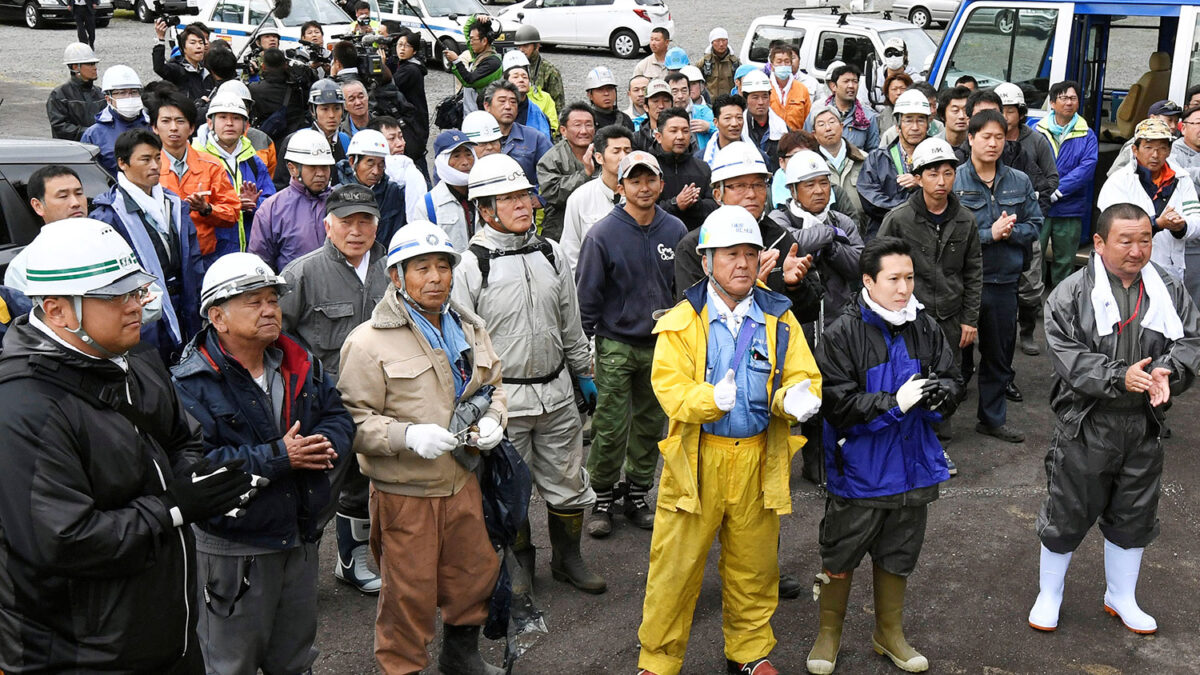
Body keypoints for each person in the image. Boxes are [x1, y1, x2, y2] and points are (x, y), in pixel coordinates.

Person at [0, 218, 253, 673]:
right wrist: (174, 507)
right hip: (81, 654)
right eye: (117, 296)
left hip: (165, 632)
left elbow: (183, 436)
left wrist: (195, 481)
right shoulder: (22, 406)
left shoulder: (132, 359)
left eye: (137, 290)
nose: (137, 305)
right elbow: (63, 541)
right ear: (58, 310)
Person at [636, 205, 822, 675]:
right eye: (729, 254)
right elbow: (670, 388)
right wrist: (706, 398)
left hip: (760, 458)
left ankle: (749, 653)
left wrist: (794, 399)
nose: (741, 263)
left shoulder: (780, 318)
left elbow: (802, 375)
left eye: (749, 253)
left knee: (754, 568)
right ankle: (657, 662)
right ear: (706, 262)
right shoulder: (682, 321)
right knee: (673, 571)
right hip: (697, 462)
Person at [171, 251, 353, 673]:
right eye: (254, 302)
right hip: (235, 551)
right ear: (217, 317)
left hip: (299, 537)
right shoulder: (189, 383)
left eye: (273, 299)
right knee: (230, 663)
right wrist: (280, 457)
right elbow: (196, 468)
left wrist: (323, 444)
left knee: (294, 659)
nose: (270, 309)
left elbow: (337, 415)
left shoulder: (298, 360)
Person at [338, 222, 507, 674]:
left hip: (462, 480)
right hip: (405, 493)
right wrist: (406, 436)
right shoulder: (367, 342)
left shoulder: (468, 327)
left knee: (473, 576)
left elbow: (493, 386)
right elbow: (350, 422)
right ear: (396, 276)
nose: (435, 277)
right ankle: (403, 669)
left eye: (442, 266)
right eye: (421, 268)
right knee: (407, 595)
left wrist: (494, 420)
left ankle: (461, 657)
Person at [1027, 202, 1200, 637]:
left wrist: (1168, 372)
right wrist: (1120, 376)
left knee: (1135, 512)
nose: (1138, 251)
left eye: (1145, 240)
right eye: (1125, 241)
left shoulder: (1167, 287)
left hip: (1144, 423)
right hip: (1087, 422)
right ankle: (1050, 593)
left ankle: (1121, 596)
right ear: (1099, 243)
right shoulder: (1068, 293)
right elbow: (1070, 359)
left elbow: (1191, 339)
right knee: (1067, 510)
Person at [807, 236, 960, 675]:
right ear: (868, 281)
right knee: (840, 553)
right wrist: (895, 402)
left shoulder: (925, 325)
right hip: (860, 472)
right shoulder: (841, 333)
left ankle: (888, 633)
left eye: (909, 278)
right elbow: (836, 405)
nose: (903, 288)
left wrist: (940, 396)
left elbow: (952, 378)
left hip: (913, 470)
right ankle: (828, 634)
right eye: (893, 279)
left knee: (899, 554)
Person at [454, 154, 606, 596]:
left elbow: (570, 322)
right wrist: (474, 405)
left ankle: (568, 559)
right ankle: (520, 564)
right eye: (509, 198)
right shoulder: (470, 265)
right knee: (510, 488)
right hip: (505, 404)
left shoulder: (551, 252)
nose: (524, 204)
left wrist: (584, 373)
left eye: (524, 194)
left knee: (568, 479)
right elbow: (466, 347)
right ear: (484, 208)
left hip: (557, 393)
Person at [278, 184, 389, 594]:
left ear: (377, 226)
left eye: (365, 221)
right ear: (328, 225)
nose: (356, 231)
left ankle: (351, 562)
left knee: (360, 486)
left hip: (375, 402)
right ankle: (293, 575)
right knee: (315, 492)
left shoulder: (390, 268)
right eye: (346, 222)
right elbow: (278, 337)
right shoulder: (302, 274)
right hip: (322, 406)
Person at [575, 151, 687, 537]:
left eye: (650, 179)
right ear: (620, 187)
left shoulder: (675, 230)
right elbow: (586, 298)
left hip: (661, 344)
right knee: (609, 424)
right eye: (634, 181)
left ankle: (637, 493)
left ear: (661, 184)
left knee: (650, 423)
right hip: (615, 344)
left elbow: (686, 292)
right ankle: (602, 496)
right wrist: (583, 356)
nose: (644, 187)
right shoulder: (602, 234)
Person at [878, 137, 981, 457]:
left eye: (948, 173)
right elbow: (878, 266)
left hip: (950, 317)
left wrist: (969, 319)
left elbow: (973, 271)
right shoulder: (898, 219)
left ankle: (938, 446)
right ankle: (901, 442)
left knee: (944, 381)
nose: (941, 181)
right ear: (918, 176)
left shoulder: (966, 220)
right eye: (933, 173)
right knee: (903, 379)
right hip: (906, 316)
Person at [954, 110, 1042, 444]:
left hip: (1004, 282)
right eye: (986, 137)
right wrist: (989, 233)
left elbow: (1034, 225)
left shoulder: (1019, 181)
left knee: (999, 354)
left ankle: (991, 419)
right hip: (963, 283)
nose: (993, 144)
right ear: (971, 138)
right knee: (952, 355)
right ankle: (942, 423)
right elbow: (949, 233)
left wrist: (1009, 233)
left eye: (999, 137)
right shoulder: (955, 181)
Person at [89, 128, 204, 364]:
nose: (155, 166)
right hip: (144, 313)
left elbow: (194, 259)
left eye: (157, 158)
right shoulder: (110, 215)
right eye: (145, 159)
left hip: (184, 303)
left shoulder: (174, 205)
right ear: (122, 163)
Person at [995, 82, 1059, 357]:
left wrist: (1036, 211)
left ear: (1021, 113)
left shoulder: (1035, 142)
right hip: (993, 227)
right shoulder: (984, 140)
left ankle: (1028, 331)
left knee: (1031, 286)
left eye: (1011, 111)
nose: (1006, 117)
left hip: (1025, 227)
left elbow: (1050, 180)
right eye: (1001, 111)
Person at [1098, 118, 1200, 285]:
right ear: (1135, 149)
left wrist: (1182, 226)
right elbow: (1112, 227)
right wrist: (1157, 224)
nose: (1155, 155)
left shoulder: (1182, 179)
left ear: (1169, 151)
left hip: (1169, 270)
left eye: (1161, 149)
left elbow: (1196, 219)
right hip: (1127, 267)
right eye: (1148, 147)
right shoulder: (1119, 181)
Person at [769, 149, 863, 323]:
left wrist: (832, 247)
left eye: (824, 183)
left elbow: (859, 263)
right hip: (798, 319)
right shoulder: (778, 218)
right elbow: (791, 242)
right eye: (809, 185)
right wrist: (830, 233)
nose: (819, 191)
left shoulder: (841, 220)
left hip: (840, 319)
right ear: (793, 190)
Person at [149, 92, 241, 265]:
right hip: (165, 260)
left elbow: (232, 213)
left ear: (191, 128)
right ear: (154, 127)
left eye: (180, 121)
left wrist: (206, 209)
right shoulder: (148, 167)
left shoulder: (211, 165)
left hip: (204, 258)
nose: (174, 128)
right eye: (166, 121)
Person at [193, 93, 278, 257]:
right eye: (223, 117)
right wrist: (232, 205)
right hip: (211, 255)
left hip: (252, 251)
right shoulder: (198, 160)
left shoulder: (254, 161)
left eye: (236, 118)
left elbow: (271, 202)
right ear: (210, 122)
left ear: (246, 126)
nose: (229, 123)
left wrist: (255, 203)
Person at [1034, 80, 1099, 288]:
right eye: (1063, 98)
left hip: (1070, 207)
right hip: (1039, 206)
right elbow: (1029, 163)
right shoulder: (1036, 130)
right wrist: (1045, 190)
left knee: (1065, 260)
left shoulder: (1087, 134)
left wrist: (1060, 190)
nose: (1069, 103)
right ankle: (1032, 304)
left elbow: (1087, 168)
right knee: (1034, 258)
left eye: (1073, 98)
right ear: (1052, 103)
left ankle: (1061, 303)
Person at [251, 129, 335, 272]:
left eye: (325, 166)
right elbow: (260, 263)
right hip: (292, 292)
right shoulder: (272, 209)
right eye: (313, 167)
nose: (320, 173)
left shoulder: (341, 202)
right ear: (293, 169)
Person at [857, 90, 930, 239]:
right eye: (908, 120)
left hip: (926, 237)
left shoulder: (940, 157)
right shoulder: (877, 159)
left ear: (928, 124)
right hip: (884, 235)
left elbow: (948, 193)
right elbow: (870, 201)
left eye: (921, 120)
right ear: (897, 126)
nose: (915, 127)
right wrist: (909, 211)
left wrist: (922, 183)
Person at [561, 124, 633, 271]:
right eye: (616, 151)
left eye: (627, 151)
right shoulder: (580, 198)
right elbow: (570, 251)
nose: (623, 157)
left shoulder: (639, 195)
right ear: (599, 157)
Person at [272, 79, 350, 190]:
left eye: (336, 108)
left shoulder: (345, 140)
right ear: (313, 110)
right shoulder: (296, 140)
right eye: (325, 109)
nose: (332, 115)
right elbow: (281, 186)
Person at [335, 129, 407, 247]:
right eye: (370, 163)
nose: (376, 171)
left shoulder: (394, 193)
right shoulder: (337, 195)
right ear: (353, 161)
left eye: (381, 164)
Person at [537, 103, 597, 241]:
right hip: (561, 228)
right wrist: (585, 173)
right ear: (563, 130)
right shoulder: (551, 158)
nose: (584, 131)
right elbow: (553, 193)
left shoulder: (602, 153)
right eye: (577, 125)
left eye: (588, 125)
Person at [651, 108, 718, 230]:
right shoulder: (648, 167)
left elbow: (714, 206)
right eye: (674, 131)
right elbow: (644, 207)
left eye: (685, 131)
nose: (680, 136)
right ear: (658, 136)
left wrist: (696, 204)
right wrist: (675, 204)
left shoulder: (702, 168)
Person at [81, 65, 150, 177]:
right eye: (122, 93)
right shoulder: (94, 134)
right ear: (108, 98)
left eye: (133, 92)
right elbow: (88, 175)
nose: (129, 97)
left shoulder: (152, 126)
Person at [483, 81, 553, 191]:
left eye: (513, 102)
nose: (508, 107)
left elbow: (554, 171)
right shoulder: (476, 137)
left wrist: (541, 199)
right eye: (502, 101)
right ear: (487, 106)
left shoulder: (534, 138)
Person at [418, 130, 479, 251]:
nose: (465, 162)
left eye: (468, 154)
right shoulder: (428, 204)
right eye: (456, 156)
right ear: (443, 161)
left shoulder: (486, 193)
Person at [809, 104, 868, 221]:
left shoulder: (864, 159)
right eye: (821, 124)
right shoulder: (810, 165)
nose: (828, 128)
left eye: (832, 122)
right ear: (814, 134)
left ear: (841, 126)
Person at [248, 48, 310, 145]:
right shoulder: (298, 88)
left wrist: (253, 76)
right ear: (285, 65)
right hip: (297, 139)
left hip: (269, 140)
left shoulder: (254, 89)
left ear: (263, 66)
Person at [812, 64, 879, 152]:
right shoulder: (818, 113)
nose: (851, 85)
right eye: (846, 81)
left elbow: (873, 151)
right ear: (833, 86)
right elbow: (806, 145)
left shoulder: (867, 117)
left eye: (855, 81)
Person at [372, 115, 428, 220]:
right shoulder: (371, 181)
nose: (400, 144)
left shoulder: (415, 172)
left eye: (401, 137)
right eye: (392, 138)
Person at [48, 42, 106, 142]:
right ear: (75, 67)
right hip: (72, 152)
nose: (95, 68)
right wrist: (92, 134)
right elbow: (61, 128)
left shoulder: (101, 94)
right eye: (90, 64)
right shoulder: (59, 95)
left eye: (94, 64)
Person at [446, 14, 503, 111]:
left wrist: (456, 61)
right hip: (470, 114)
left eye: (472, 39)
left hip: (482, 118)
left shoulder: (493, 63)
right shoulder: (479, 54)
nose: (470, 42)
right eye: (470, 39)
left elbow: (469, 80)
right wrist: (476, 17)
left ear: (484, 41)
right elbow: (467, 30)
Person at [503, 50, 556, 141]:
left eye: (525, 77)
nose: (521, 80)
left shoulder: (538, 114)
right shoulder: (496, 108)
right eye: (515, 77)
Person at [741, 71, 788, 173]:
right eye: (755, 97)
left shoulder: (782, 127)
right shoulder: (739, 128)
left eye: (765, 96)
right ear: (746, 98)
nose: (761, 102)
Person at [153, 21, 211, 101]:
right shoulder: (177, 69)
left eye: (201, 43)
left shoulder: (205, 70)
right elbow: (159, 68)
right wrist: (160, 40)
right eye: (193, 43)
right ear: (183, 48)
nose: (198, 46)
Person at [513, 24, 565, 111]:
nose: (521, 50)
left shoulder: (550, 71)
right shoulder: (514, 68)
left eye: (525, 46)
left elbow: (558, 106)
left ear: (537, 46)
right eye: (519, 47)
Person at [767, 43, 811, 131]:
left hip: (795, 139)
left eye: (787, 62)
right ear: (772, 66)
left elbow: (807, 120)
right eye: (779, 62)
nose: (783, 65)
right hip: (770, 138)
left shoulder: (802, 89)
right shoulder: (765, 88)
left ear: (791, 65)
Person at [669, 71, 714, 151]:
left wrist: (709, 127)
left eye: (684, 91)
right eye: (675, 92)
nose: (680, 96)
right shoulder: (662, 115)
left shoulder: (703, 112)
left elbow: (724, 131)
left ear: (689, 92)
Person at [872, 37, 922, 107]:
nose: (893, 57)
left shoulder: (916, 80)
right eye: (889, 54)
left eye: (897, 53)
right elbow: (864, 103)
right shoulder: (873, 77)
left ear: (905, 55)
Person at [702, 93, 747, 167]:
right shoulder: (702, 159)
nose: (734, 124)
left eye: (739, 118)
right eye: (727, 118)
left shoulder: (757, 156)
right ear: (716, 122)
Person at [585, 66, 635, 131]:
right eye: (600, 90)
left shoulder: (625, 120)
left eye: (610, 88)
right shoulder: (587, 120)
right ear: (590, 95)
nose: (606, 93)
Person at [634, 79, 675, 152]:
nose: (661, 106)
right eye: (655, 101)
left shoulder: (682, 135)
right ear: (646, 107)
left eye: (666, 101)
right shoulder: (636, 139)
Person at [700, 27, 740, 97]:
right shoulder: (704, 62)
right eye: (718, 41)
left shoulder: (735, 62)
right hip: (711, 105)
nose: (721, 44)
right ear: (712, 42)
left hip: (729, 104)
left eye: (724, 40)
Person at [876, 71, 912, 137]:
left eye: (902, 88)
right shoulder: (883, 115)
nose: (898, 92)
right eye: (894, 89)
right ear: (887, 94)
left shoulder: (918, 111)